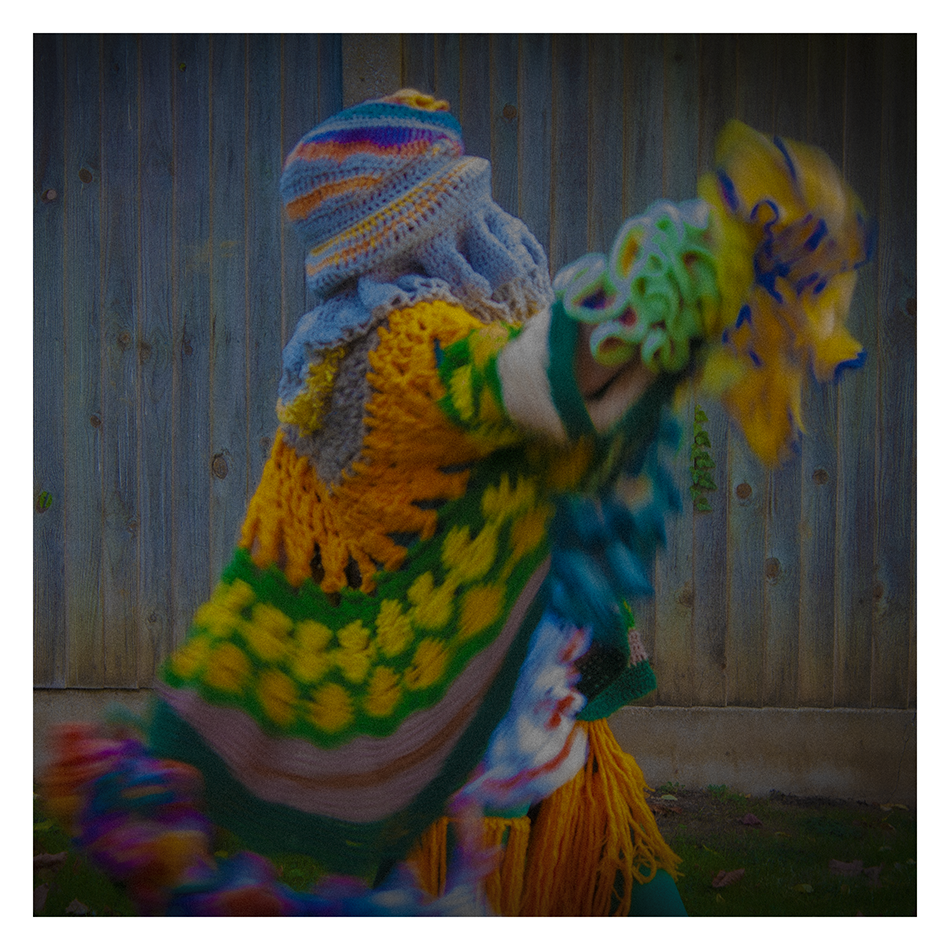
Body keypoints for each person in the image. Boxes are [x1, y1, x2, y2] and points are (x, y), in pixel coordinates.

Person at [42, 89, 870, 916]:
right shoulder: (397, 352)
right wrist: (670, 282)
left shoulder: (338, 363)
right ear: (421, 226)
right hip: (463, 785)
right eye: (467, 211)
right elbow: (528, 377)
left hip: (536, 746)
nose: (494, 235)